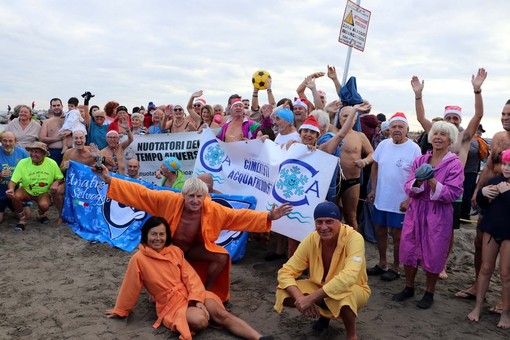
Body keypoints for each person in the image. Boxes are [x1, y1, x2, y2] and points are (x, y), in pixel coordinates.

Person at [92, 168, 292, 302]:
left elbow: (239, 216)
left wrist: (268, 215)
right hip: (168, 250)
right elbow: (142, 193)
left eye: (200, 196)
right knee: (160, 291)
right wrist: (110, 179)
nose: (195, 200)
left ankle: (206, 290)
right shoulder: (168, 199)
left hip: (193, 250)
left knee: (221, 256)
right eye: (191, 196)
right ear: (183, 195)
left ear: (206, 197)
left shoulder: (213, 209)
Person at [105, 216, 274, 340]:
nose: (158, 238)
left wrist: (198, 299)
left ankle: (259, 338)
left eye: (161, 235)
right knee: (201, 321)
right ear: (146, 235)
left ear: (167, 236)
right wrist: (121, 309)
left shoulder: (175, 251)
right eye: (154, 234)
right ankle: (201, 314)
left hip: (191, 292)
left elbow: (190, 277)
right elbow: (130, 286)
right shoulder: (138, 259)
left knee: (221, 314)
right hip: (170, 303)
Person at [413, 68, 487, 279]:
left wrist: (477, 91)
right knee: (426, 225)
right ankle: (422, 258)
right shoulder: (436, 132)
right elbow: (420, 117)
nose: (453, 121)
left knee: (448, 230)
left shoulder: (463, 138)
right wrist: (418, 95)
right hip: (429, 186)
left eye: (456, 118)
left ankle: (441, 263)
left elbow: (479, 115)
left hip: (453, 189)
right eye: (449, 117)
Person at [392, 121, 464, 309]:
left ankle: (429, 292)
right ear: (430, 137)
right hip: (416, 209)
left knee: (434, 251)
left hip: (438, 212)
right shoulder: (420, 160)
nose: (438, 137)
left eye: (443, 134)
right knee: (408, 247)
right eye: (436, 133)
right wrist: (418, 181)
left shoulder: (454, 164)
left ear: (450, 139)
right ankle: (409, 287)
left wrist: (431, 180)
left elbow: (453, 193)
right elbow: (408, 186)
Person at [274, 202, 370, 339]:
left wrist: (311, 298)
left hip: (354, 288)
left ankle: (351, 335)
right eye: (319, 222)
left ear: (339, 221)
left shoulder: (354, 238)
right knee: (284, 291)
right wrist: (301, 298)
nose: (324, 227)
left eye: (329, 222)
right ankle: (324, 313)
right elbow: (285, 271)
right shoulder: (312, 238)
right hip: (320, 285)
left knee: (346, 298)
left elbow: (349, 277)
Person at [459, 100, 510, 310]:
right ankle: (476, 285)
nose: (505, 117)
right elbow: (489, 167)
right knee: (480, 243)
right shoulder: (498, 138)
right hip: (490, 198)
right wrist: (476, 192)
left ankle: (504, 298)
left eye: (509, 114)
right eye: (503, 113)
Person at [366, 113, 421, 282]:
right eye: (394, 127)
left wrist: (409, 199)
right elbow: (375, 165)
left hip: (400, 202)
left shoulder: (414, 149)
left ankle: (396, 268)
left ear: (406, 129)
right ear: (389, 129)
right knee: (380, 231)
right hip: (381, 198)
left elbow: (418, 177)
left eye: (400, 127)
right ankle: (382, 263)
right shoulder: (383, 145)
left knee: (398, 236)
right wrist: (373, 188)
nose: (397, 130)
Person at [467, 149, 510, 329]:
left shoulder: (503, 186)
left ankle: (506, 312)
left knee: (506, 274)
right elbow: (483, 207)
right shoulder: (495, 180)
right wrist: (483, 193)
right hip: (491, 228)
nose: (507, 168)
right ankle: (477, 306)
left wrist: (506, 193)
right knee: (485, 268)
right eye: (505, 164)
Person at [6, 142, 64, 230]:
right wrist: (11, 189)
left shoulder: (52, 163)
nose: (33, 154)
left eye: (36, 152)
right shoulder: (23, 162)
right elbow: (13, 181)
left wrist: (55, 183)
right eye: (32, 151)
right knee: (15, 196)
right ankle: (22, 219)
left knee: (44, 205)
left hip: (43, 192)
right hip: (26, 190)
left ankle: (41, 214)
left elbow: (60, 178)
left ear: (44, 154)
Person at [336, 106, 374, 231]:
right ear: (339, 118)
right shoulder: (332, 131)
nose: (347, 118)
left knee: (351, 216)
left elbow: (372, 154)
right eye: (344, 116)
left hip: (352, 181)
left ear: (355, 120)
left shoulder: (360, 136)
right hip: (333, 182)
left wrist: (365, 161)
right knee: (332, 215)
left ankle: (353, 245)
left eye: (350, 116)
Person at [56, 131, 99, 224]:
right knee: (57, 190)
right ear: (72, 140)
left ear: (85, 139)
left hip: (89, 183)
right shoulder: (68, 153)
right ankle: (61, 215)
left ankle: (89, 215)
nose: (78, 140)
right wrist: (65, 167)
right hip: (73, 183)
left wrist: (98, 157)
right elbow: (60, 170)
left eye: (81, 138)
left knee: (86, 200)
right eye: (76, 138)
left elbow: (104, 165)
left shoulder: (92, 150)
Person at [0, 131, 29, 224]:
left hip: (16, 191)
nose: (7, 144)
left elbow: (30, 171)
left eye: (10, 141)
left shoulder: (22, 153)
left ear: (15, 141)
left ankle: (13, 207)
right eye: (4, 141)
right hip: (1, 191)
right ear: (1, 141)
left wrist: (23, 178)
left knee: (27, 215)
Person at [39, 98, 65, 165]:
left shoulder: (69, 119)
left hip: (69, 152)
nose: (56, 107)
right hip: (53, 153)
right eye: (54, 106)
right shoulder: (46, 122)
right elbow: (42, 138)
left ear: (62, 106)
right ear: (51, 107)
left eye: (58, 105)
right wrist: (57, 138)